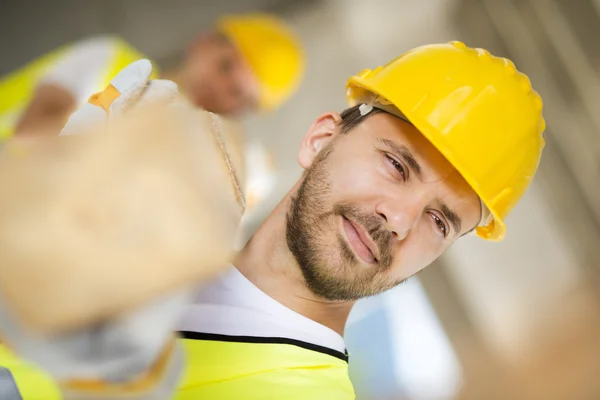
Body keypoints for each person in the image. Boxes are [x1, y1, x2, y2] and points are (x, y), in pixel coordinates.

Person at [0, 41, 545, 399]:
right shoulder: (162, 253)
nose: (399, 220)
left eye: (441, 221)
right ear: (320, 138)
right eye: (397, 165)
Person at [0, 13, 304, 140]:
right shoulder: (110, 58)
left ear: (238, 112)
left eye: (238, 93)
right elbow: (31, 137)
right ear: (204, 42)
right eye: (225, 66)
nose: (221, 88)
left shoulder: (179, 157)